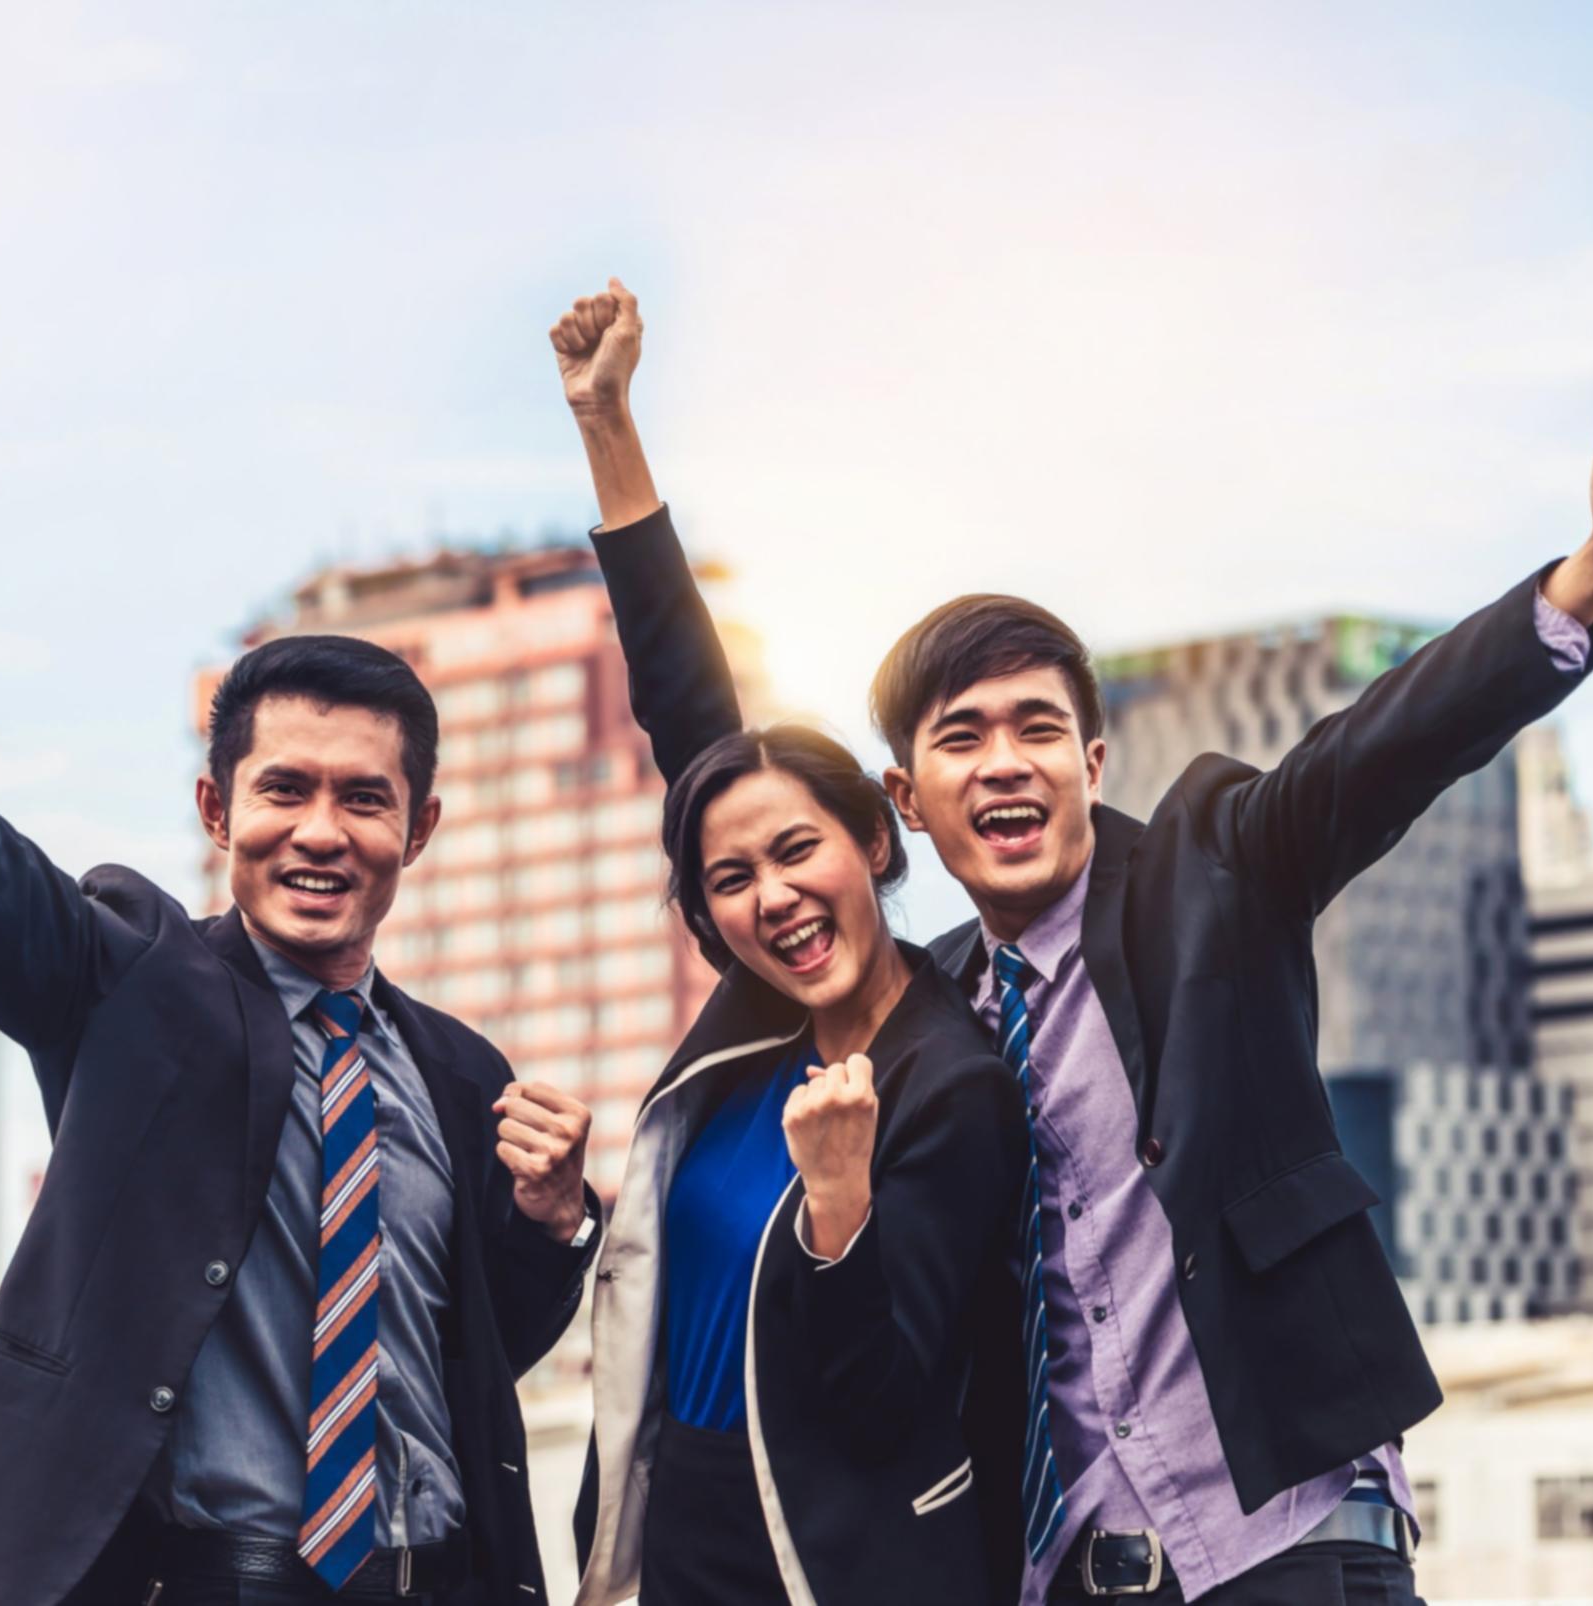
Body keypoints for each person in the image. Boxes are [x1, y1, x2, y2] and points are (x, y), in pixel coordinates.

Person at [553, 280, 1593, 1605]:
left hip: (1285, 1541)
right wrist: (611, 434)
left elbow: (1375, 751)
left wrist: (1586, 577)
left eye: (1036, 728)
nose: (1003, 761)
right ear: (903, 798)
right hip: (1071, 1572)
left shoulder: (1210, 877)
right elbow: (721, 764)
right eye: (961, 738)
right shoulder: (933, 1016)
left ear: (1091, 760)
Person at [0, 395, 606, 1606]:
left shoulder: (464, 1075)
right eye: (284, 790)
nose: (321, 831)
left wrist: (551, 1220)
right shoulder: (128, 980)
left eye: (364, 799)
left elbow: (466, 1356)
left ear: (416, 829)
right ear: (218, 811)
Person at [549, 290, 1029, 1606]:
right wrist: (606, 422)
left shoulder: (954, 1080)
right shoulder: (757, 1018)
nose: (773, 896)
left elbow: (880, 1398)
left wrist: (838, 1202)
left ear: (873, 838)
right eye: (731, 880)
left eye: (797, 850)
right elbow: (683, 697)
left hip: (832, 1562)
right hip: (678, 1538)